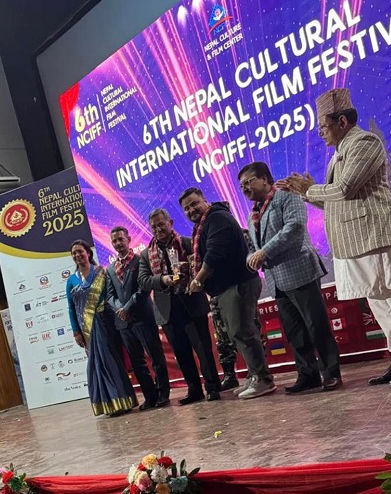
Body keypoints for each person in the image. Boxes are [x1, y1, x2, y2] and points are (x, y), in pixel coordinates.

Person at [278, 88, 391, 387]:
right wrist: (306, 193)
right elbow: (334, 201)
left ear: (341, 121)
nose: (320, 133)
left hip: (377, 236)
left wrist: (309, 189)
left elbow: (345, 189)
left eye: (323, 126)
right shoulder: (338, 154)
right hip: (356, 242)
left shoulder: (364, 141)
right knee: (379, 304)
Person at [239, 161, 342, 393]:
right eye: (241, 186)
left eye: (248, 182)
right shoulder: (252, 214)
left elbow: (294, 227)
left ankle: (331, 373)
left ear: (264, 179)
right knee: (295, 332)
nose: (244, 189)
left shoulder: (287, 196)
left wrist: (264, 252)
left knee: (317, 326)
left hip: (300, 270)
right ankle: (308, 375)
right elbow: (251, 247)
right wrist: (251, 258)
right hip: (276, 280)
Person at [180, 187, 276, 399]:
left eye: (194, 204)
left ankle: (263, 379)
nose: (191, 210)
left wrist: (198, 279)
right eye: (186, 208)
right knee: (238, 333)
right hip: (227, 287)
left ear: (205, 200)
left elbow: (215, 253)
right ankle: (254, 376)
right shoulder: (204, 224)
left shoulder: (217, 218)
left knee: (244, 332)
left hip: (237, 283)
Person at [137, 208, 221, 404]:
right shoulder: (146, 255)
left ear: (170, 223)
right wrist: (163, 280)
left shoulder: (187, 243)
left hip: (192, 304)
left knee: (203, 350)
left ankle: (212, 387)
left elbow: (202, 266)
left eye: (161, 224)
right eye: (154, 227)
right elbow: (143, 280)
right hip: (167, 311)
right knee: (181, 354)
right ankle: (194, 390)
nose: (158, 229)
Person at [65, 239, 137, 416]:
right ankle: (108, 404)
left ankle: (123, 400)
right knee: (97, 365)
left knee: (112, 360)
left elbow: (110, 297)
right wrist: (76, 332)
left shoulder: (102, 272)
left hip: (106, 324)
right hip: (86, 329)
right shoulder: (71, 281)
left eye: (80, 251)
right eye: (74, 253)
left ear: (88, 253)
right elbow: (71, 308)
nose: (77, 255)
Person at [105, 226, 170, 409]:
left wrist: (128, 307)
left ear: (129, 239)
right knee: (137, 362)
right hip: (124, 323)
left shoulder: (140, 259)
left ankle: (162, 394)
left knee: (155, 357)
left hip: (143, 317)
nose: (118, 243)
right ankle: (149, 397)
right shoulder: (110, 269)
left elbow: (144, 288)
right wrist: (120, 309)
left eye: (121, 239)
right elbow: (109, 295)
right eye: (115, 241)